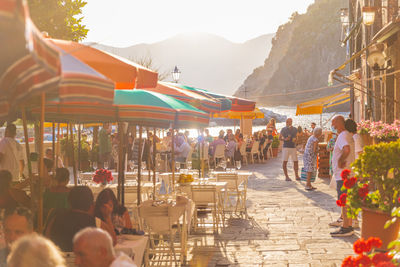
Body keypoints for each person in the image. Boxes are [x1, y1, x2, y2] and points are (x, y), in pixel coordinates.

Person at [46, 186, 99, 251]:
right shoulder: (96, 222)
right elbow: (112, 241)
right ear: (90, 203)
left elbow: (47, 240)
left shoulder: (55, 219)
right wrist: (107, 217)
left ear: (69, 201)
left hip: (60, 258)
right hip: (86, 260)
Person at [329, 115, 355, 237]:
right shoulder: (348, 135)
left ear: (339, 123)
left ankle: (345, 227)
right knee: (347, 200)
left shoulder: (342, 136)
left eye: (333, 123)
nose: (332, 126)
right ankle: (348, 225)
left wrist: (340, 160)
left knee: (344, 201)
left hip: (343, 174)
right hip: (348, 173)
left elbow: (346, 150)